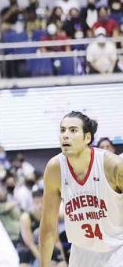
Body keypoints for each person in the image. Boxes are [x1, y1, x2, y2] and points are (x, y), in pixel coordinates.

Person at [39, 111, 123, 267]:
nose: (65, 135)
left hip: (116, 253)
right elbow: (48, 226)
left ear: (87, 138)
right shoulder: (54, 169)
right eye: (62, 130)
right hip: (80, 256)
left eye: (73, 130)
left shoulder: (113, 165)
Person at [17, 188, 67, 267]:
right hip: (27, 249)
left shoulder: (51, 216)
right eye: (37, 202)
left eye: (42, 202)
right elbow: (30, 244)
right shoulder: (26, 218)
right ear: (32, 203)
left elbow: (56, 241)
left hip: (45, 246)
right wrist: (45, 263)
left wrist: (63, 260)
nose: (40, 205)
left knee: (62, 264)